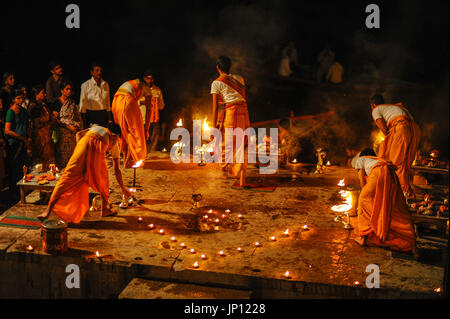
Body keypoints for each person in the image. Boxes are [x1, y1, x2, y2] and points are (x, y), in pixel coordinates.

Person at [37, 123, 131, 223]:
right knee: (103, 180)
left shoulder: (96, 127)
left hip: (82, 145)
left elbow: (78, 134)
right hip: (95, 150)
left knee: (66, 178)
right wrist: (123, 188)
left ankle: (47, 211)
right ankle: (104, 210)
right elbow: (117, 170)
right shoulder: (114, 143)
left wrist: (79, 152)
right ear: (116, 136)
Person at [352, 148, 418, 257]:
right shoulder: (379, 161)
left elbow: (361, 181)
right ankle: (412, 244)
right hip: (391, 175)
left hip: (378, 174)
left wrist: (365, 195)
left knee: (363, 201)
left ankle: (363, 237)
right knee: (394, 209)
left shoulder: (361, 159)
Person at [370, 93, 421, 199]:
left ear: (373, 105)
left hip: (402, 127)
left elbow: (384, 129)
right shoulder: (394, 107)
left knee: (396, 163)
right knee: (406, 163)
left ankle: (400, 196)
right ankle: (407, 192)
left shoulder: (376, 110)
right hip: (415, 130)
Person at [211, 56, 250, 187]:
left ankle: (224, 170)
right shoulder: (240, 79)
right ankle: (240, 175)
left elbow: (216, 106)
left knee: (226, 142)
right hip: (244, 112)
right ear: (230, 67)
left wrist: (213, 126)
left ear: (217, 68)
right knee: (242, 142)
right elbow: (239, 96)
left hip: (232, 113)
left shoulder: (216, 83)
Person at [112, 78, 147, 167]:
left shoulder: (133, 82)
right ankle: (130, 160)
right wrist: (146, 129)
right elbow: (149, 109)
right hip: (128, 102)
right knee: (135, 132)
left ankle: (125, 160)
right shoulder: (146, 89)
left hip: (116, 102)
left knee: (124, 132)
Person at [3, 89, 31, 199]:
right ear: (13, 99)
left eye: (21, 98)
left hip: (23, 142)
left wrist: (27, 138)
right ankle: (13, 193)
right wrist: (21, 138)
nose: (20, 100)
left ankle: (22, 191)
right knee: (14, 168)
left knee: (22, 167)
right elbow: (7, 130)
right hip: (14, 144)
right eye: (18, 98)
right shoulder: (10, 112)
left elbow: (27, 125)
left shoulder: (23, 111)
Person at [53, 81, 83, 169]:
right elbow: (55, 120)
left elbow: (77, 118)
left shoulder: (72, 102)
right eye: (67, 89)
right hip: (62, 134)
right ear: (61, 90)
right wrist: (67, 126)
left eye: (70, 89)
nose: (69, 91)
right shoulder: (56, 103)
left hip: (73, 134)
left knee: (72, 158)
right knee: (62, 159)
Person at [28, 85, 55, 171]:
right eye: (43, 93)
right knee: (41, 159)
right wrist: (45, 120)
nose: (45, 94)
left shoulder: (43, 104)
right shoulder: (33, 106)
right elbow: (36, 124)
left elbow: (48, 118)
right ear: (36, 94)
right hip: (39, 136)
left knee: (49, 157)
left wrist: (51, 118)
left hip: (47, 135)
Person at [138, 70, 165, 152]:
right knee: (142, 138)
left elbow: (161, 105)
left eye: (151, 78)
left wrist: (158, 105)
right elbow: (135, 102)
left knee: (153, 139)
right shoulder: (140, 89)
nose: (150, 80)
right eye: (148, 78)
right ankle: (142, 155)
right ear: (144, 78)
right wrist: (143, 102)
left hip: (154, 119)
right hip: (143, 119)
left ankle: (151, 156)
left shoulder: (157, 90)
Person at [79, 62, 111, 128]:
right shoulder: (85, 85)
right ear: (92, 72)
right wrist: (84, 123)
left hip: (103, 115)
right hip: (91, 115)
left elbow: (108, 103)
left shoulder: (105, 84)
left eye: (100, 71)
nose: (99, 73)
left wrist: (109, 119)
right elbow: (82, 105)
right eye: (97, 70)